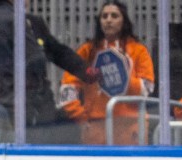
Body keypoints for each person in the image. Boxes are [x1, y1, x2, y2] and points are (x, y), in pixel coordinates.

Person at [0, 0, 89, 143]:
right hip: (20, 107)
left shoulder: (33, 23)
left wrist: (87, 71)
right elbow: (37, 61)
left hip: (26, 105)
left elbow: (56, 50)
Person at [59, 2, 155, 146]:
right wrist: (80, 118)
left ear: (124, 21)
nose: (108, 20)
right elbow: (68, 88)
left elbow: (147, 88)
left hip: (131, 127)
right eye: (104, 16)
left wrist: (122, 77)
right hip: (96, 127)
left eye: (114, 16)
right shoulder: (87, 51)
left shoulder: (139, 51)